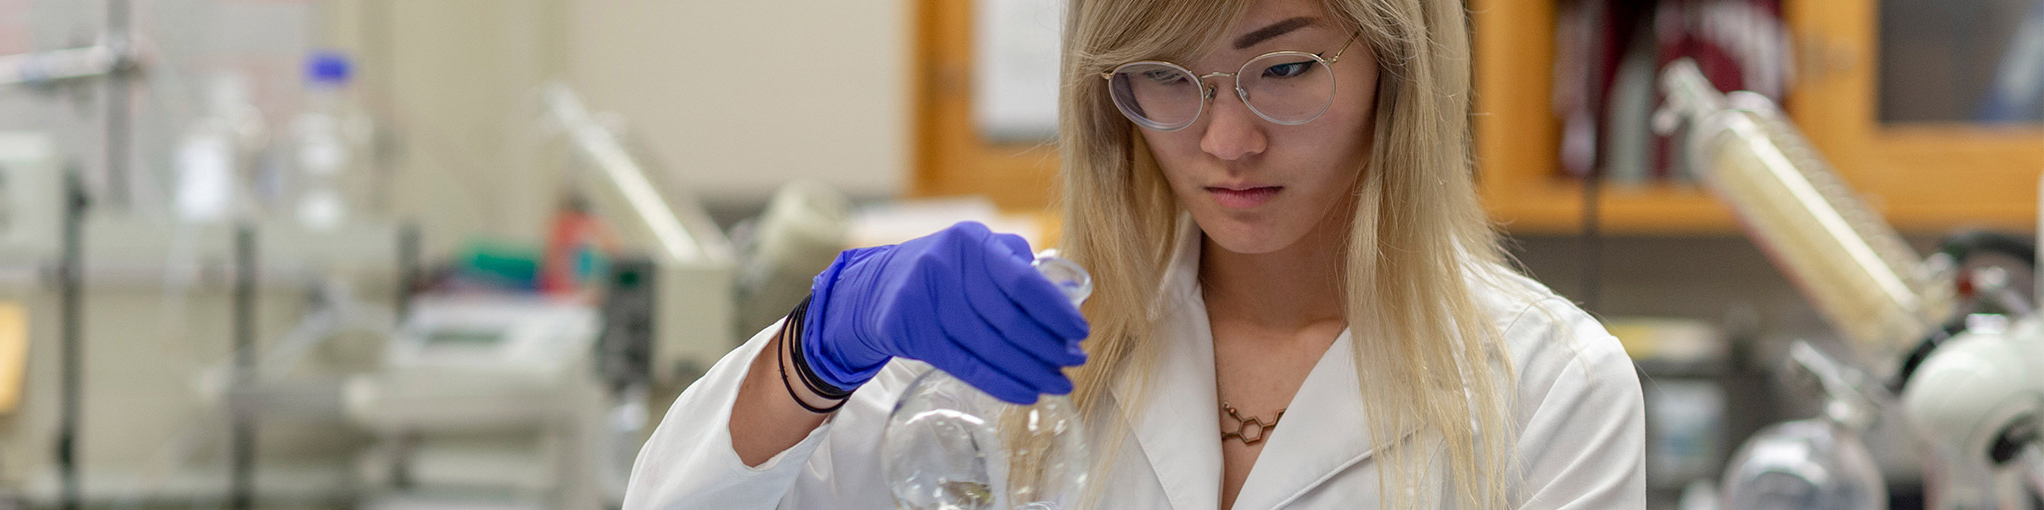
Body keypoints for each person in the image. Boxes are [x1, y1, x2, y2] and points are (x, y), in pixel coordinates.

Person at [625, 0, 1646, 507]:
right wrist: (822, 345)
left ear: (1399, 64)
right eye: (1163, 77)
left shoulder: (1549, 385)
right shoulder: (1014, 347)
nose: (1225, 141)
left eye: (1282, 69)